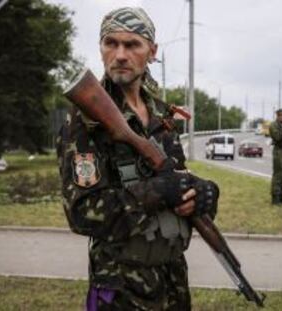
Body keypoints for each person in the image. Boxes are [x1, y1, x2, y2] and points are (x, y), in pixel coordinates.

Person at [56, 7, 219, 311]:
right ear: (101, 48)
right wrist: (156, 191)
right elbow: (83, 213)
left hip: (173, 278)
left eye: (132, 45)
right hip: (120, 288)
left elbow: (174, 177)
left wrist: (202, 193)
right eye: (111, 43)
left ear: (152, 51)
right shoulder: (86, 120)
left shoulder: (161, 114)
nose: (119, 54)